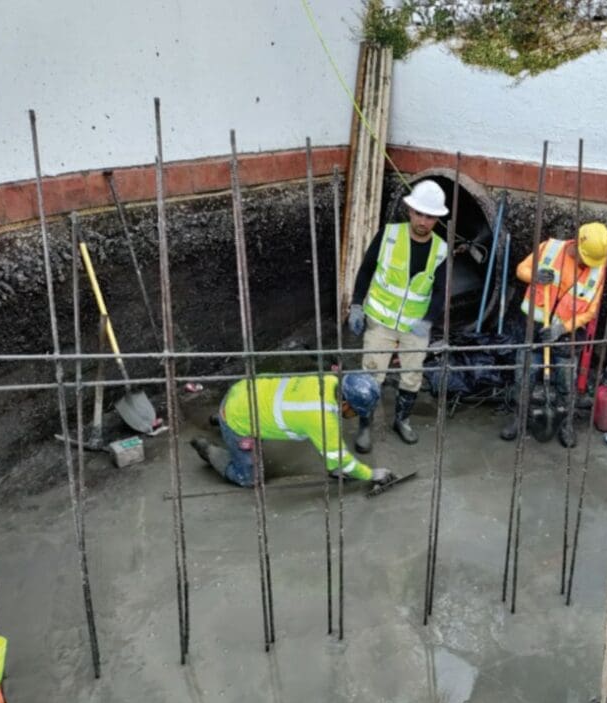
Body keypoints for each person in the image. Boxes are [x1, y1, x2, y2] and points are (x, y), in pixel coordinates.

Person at [347, 179, 450, 453]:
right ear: (410, 211)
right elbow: (367, 269)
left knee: (412, 376)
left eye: (430, 216)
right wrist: (356, 304)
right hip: (380, 321)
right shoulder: (389, 235)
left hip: (415, 327)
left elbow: (440, 292)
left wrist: (427, 320)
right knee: (372, 374)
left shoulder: (441, 249)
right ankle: (365, 427)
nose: (424, 221)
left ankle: (402, 420)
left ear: (437, 219)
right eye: (420, 213)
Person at [499, 222, 607, 448]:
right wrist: (534, 276)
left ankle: (566, 424)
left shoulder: (598, 269)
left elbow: (591, 309)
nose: (586, 264)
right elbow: (520, 270)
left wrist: (563, 328)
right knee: (525, 376)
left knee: (566, 383)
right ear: (577, 243)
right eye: (583, 258)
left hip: (566, 336)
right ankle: (519, 420)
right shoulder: (550, 249)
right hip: (533, 327)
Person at [190, 372, 393, 487]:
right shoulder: (319, 417)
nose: (356, 416)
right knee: (250, 479)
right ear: (345, 403)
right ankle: (208, 449)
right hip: (238, 417)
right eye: (356, 412)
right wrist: (369, 474)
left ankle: (220, 417)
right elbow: (339, 457)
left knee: (258, 409)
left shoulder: (330, 381)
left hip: (244, 390)